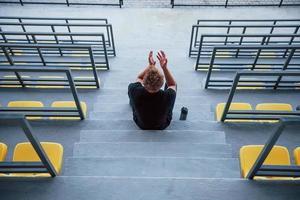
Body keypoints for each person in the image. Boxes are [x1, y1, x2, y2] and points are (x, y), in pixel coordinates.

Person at [128, 50, 177, 130]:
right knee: (172, 87)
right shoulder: (169, 96)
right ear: (161, 84)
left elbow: (139, 78)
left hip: (141, 124)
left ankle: (132, 102)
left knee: (134, 95)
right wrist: (164, 68)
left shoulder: (133, 89)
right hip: (162, 125)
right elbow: (172, 84)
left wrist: (150, 66)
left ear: (144, 82)